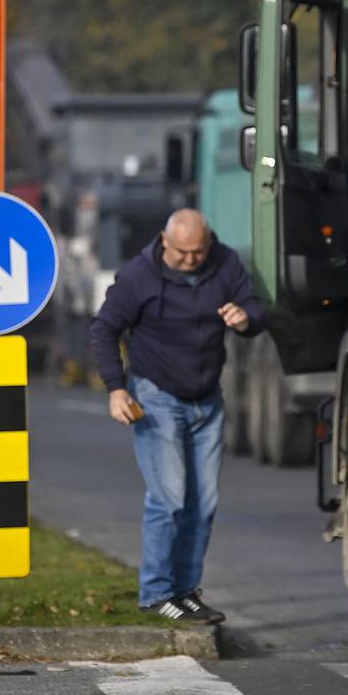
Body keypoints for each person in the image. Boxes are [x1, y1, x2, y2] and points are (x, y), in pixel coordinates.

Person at [90, 209, 267, 624]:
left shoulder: (224, 262)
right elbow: (103, 329)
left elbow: (257, 308)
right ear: (165, 243)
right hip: (156, 395)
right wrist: (116, 388)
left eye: (198, 251)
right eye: (183, 252)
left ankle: (186, 592)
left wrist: (246, 319)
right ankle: (156, 594)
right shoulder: (140, 276)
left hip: (207, 397)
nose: (191, 260)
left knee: (203, 503)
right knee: (169, 498)